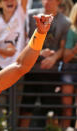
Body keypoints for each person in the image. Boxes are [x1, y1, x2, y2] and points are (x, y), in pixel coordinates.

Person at [20, 0, 71, 129]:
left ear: (58, 2)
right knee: (26, 108)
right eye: (45, 0)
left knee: (52, 110)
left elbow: (63, 48)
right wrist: (39, 52)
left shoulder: (65, 22)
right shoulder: (32, 16)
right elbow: (25, 41)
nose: (47, 3)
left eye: (51, 1)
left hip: (51, 72)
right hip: (31, 69)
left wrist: (53, 58)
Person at [61, 3, 77, 128]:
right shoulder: (71, 31)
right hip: (70, 68)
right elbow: (66, 58)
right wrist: (75, 50)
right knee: (67, 108)